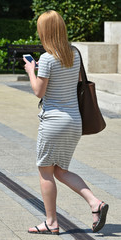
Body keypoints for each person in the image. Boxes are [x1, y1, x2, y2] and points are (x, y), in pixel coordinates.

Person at [23, 10, 109, 235]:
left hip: (53, 122)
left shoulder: (48, 59)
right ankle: (95, 203)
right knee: (60, 170)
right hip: (74, 122)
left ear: (45, 32)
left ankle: (51, 222)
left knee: (45, 172)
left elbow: (38, 91)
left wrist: (32, 70)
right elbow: (77, 81)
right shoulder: (74, 54)